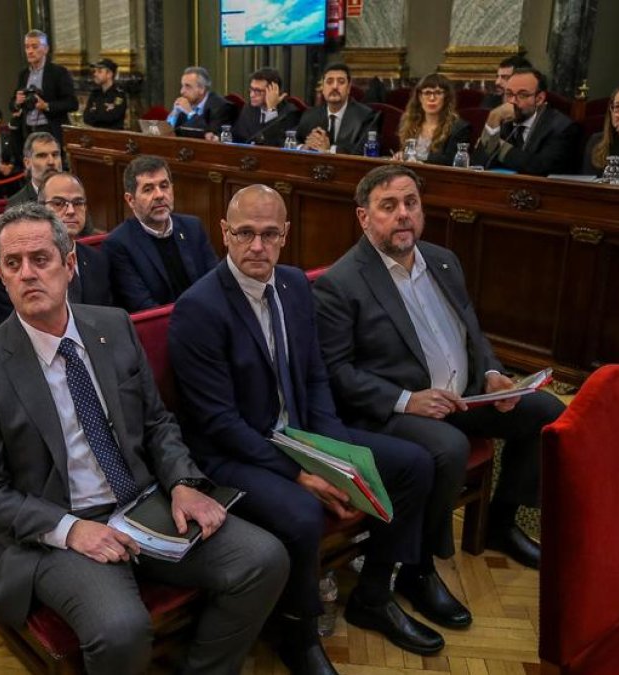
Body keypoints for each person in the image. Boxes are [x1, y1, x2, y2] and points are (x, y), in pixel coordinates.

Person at [0, 201, 289, 675]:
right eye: (13, 263)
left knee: (265, 559)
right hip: (57, 524)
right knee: (120, 630)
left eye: (41, 259)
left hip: (143, 502)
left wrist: (184, 482)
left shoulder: (113, 326)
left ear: (69, 264)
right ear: (1, 276)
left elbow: (157, 422)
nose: (27, 273)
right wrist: (72, 530)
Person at [169, 186, 441, 671]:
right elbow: (219, 422)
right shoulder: (200, 307)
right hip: (232, 453)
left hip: (298, 437)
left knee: (414, 465)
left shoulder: (293, 285)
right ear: (224, 233)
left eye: (269, 234)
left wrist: (336, 456)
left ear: (285, 235)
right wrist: (301, 474)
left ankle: (374, 594)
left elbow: (315, 377)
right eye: (245, 233)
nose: (257, 246)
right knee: (302, 513)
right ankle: (298, 632)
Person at [313, 164, 567, 573]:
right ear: (364, 217)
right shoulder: (341, 284)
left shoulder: (442, 260)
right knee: (450, 447)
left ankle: (500, 523)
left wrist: (491, 374)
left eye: (411, 203)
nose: (403, 214)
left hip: (463, 396)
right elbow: (336, 372)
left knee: (546, 411)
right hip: (397, 411)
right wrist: (407, 400)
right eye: (388, 206)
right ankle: (421, 566)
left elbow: (472, 333)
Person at [0, 172, 111, 330]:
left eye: (78, 203)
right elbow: (4, 331)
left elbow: (106, 319)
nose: (71, 210)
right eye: (59, 203)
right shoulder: (12, 266)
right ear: (41, 209)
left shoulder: (96, 259)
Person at [102, 155, 216, 312]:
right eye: (148, 189)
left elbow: (215, 282)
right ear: (130, 200)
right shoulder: (119, 244)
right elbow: (143, 306)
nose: (159, 195)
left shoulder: (192, 227)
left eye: (164, 186)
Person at [472, 67, 580, 176]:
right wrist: (492, 118)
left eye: (522, 95)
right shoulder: (502, 119)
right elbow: (477, 165)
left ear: (539, 99)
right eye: (509, 94)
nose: (512, 101)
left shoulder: (562, 128)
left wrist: (497, 146)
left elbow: (540, 168)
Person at [10, 30, 78, 150]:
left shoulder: (58, 72)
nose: (30, 51)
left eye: (34, 47)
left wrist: (46, 106)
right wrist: (17, 102)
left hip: (50, 130)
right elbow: (11, 104)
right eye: (27, 47)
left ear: (45, 49)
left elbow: (72, 103)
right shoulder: (23, 74)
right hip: (28, 131)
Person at [296, 63, 380, 155]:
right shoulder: (310, 115)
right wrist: (304, 147)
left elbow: (364, 150)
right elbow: (290, 138)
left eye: (341, 82)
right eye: (329, 82)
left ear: (348, 88)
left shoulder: (366, 116)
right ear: (323, 88)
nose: (335, 86)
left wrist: (329, 150)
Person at [395, 73, 471, 166]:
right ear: (420, 97)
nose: (432, 98)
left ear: (446, 97)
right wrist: (401, 156)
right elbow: (405, 153)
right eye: (427, 93)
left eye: (438, 93)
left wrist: (418, 161)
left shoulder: (459, 128)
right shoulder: (408, 122)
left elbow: (449, 161)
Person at [232, 67, 302, 146]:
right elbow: (236, 138)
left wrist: (271, 110)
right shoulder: (249, 109)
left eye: (258, 91)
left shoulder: (290, 113)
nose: (252, 95)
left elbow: (275, 143)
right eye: (251, 89)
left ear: (274, 92)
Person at [166, 66, 235, 138]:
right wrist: (174, 114)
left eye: (188, 86)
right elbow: (167, 133)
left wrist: (190, 113)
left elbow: (212, 136)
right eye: (182, 86)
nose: (182, 91)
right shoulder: (186, 106)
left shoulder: (221, 107)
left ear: (202, 89)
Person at [8, 131, 62, 206]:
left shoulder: (75, 193)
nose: (51, 162)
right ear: (27, 163)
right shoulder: (16, 205)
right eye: (42, 156)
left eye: (55, 155)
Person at [82, 58, 127, 130]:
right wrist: (102, 113)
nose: (95, 74)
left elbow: (112, 117)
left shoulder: (118, 95)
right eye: (95, 71)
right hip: (95, 133)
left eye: (99, 71)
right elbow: (86, 117)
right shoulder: (95, 94)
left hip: (112, 134)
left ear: (109, 74)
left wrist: (95, 114)